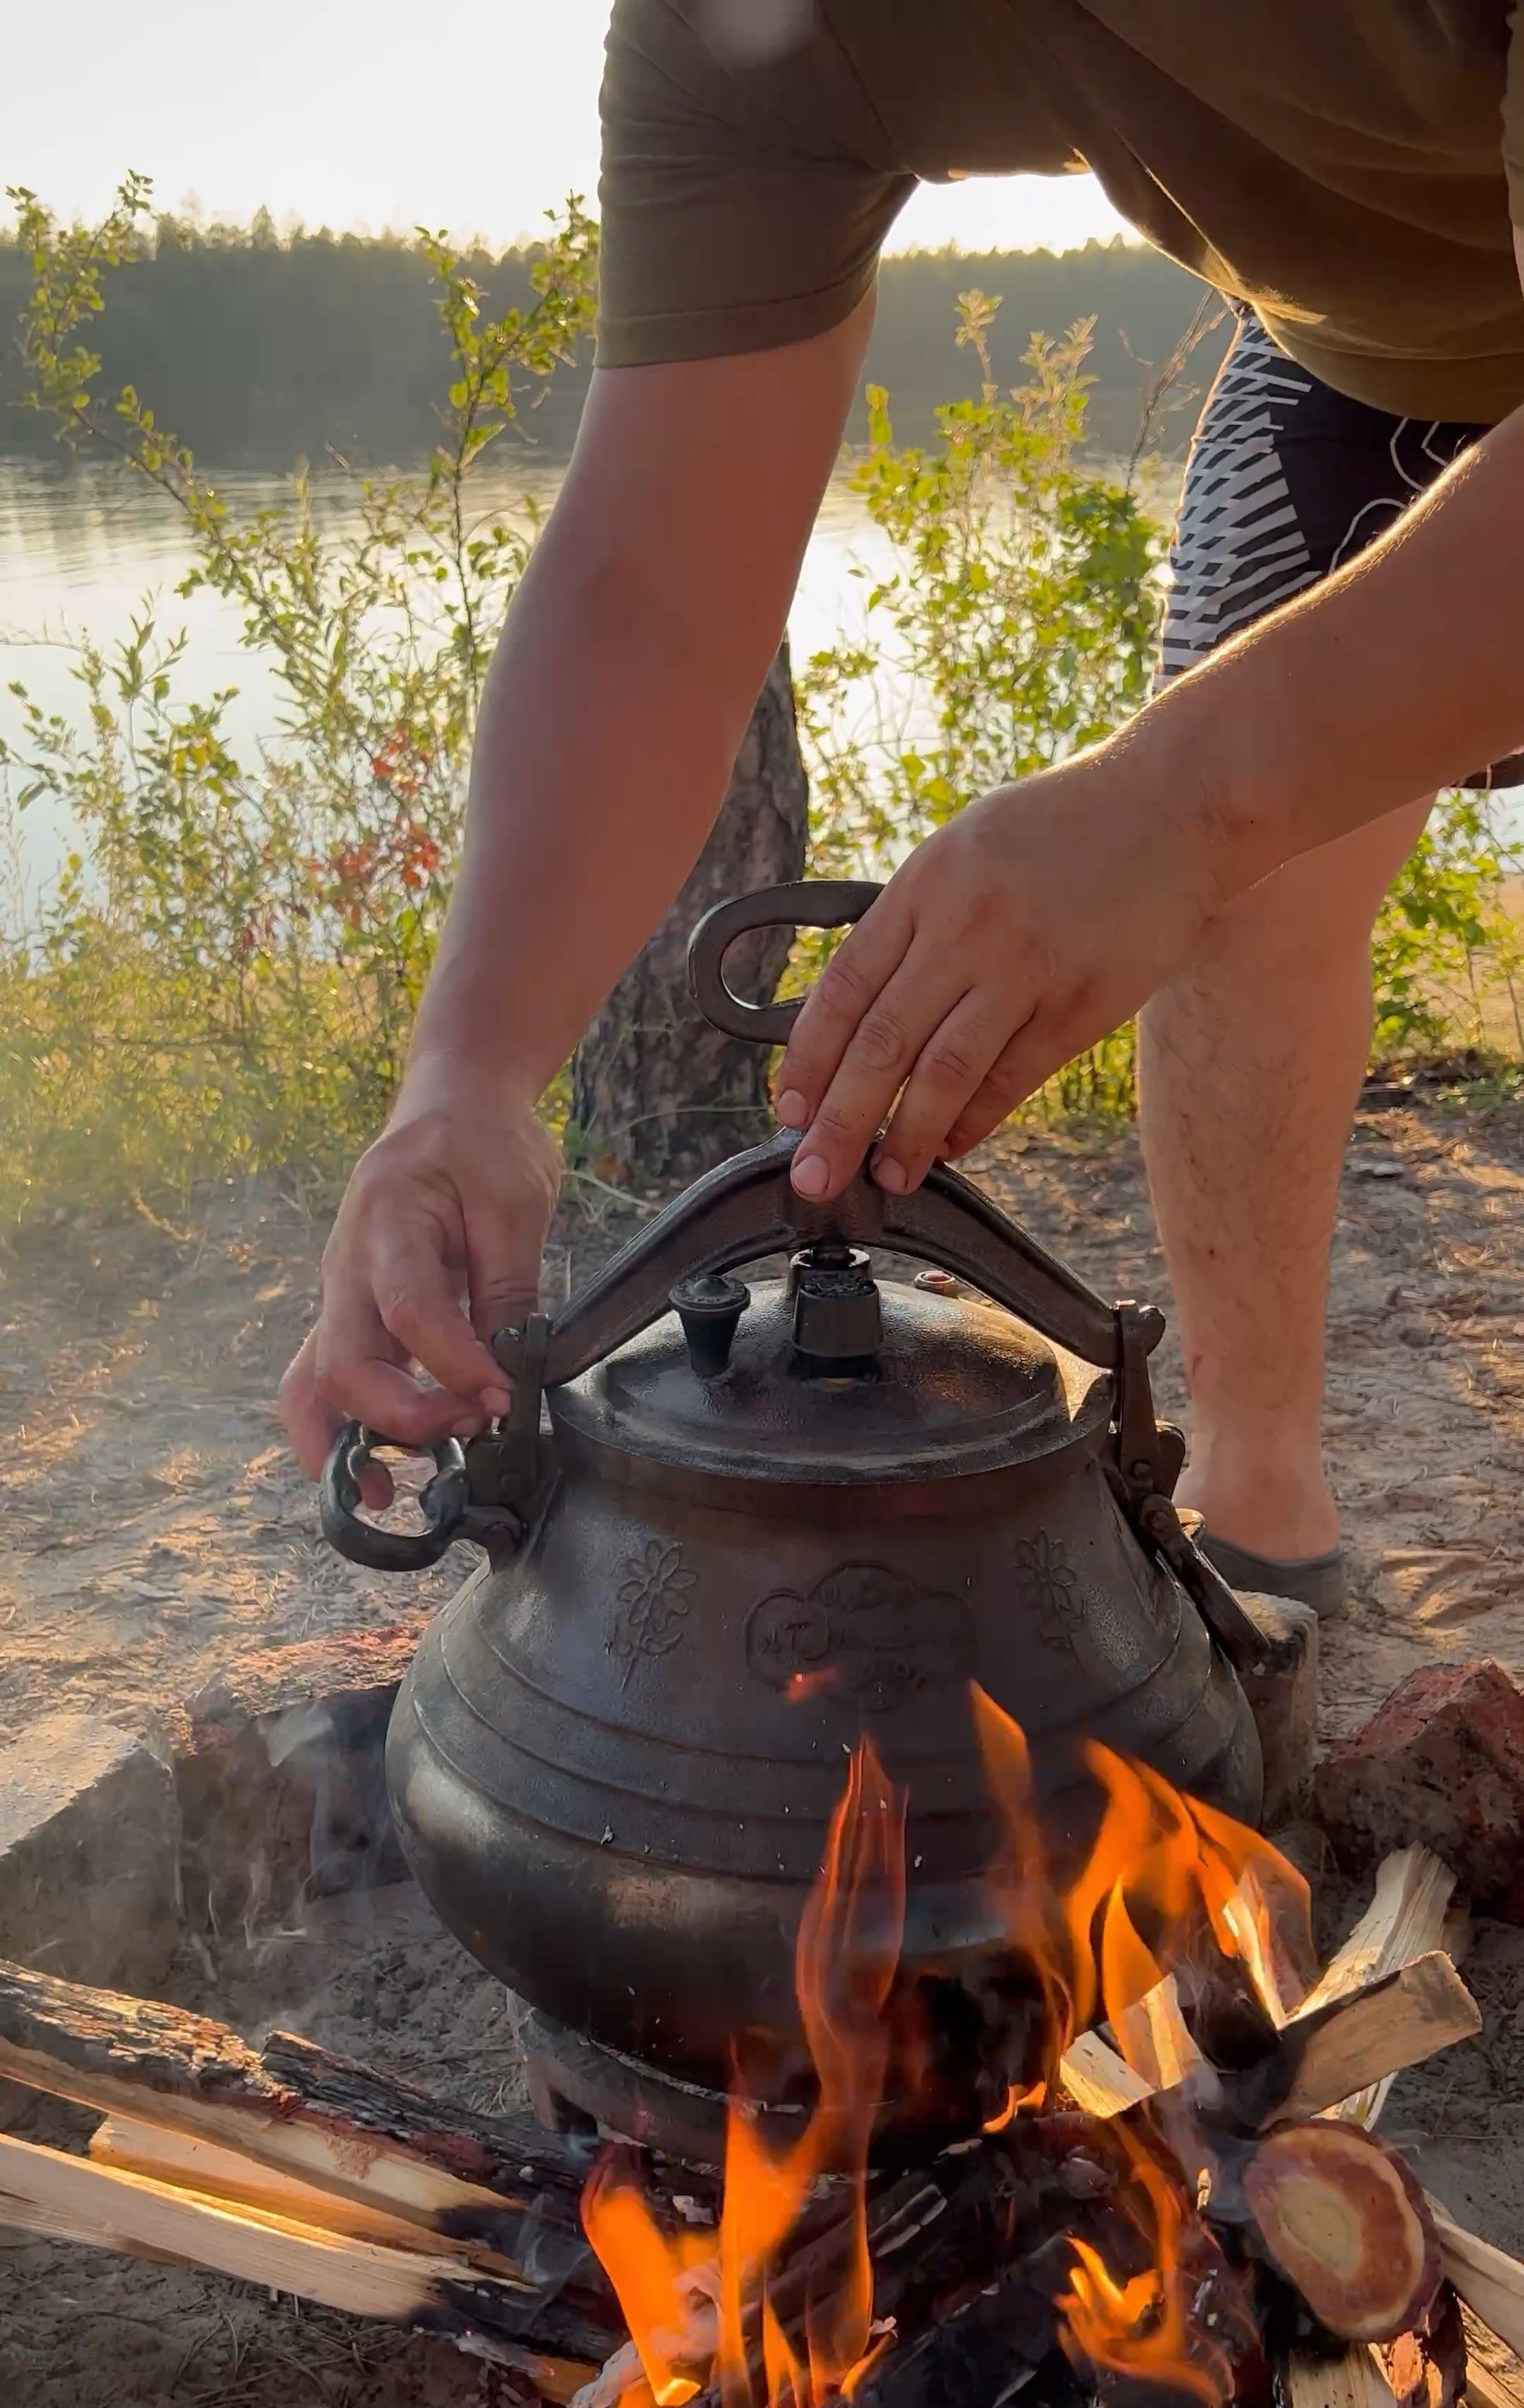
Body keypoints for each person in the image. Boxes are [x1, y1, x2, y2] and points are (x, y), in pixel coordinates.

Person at [281, 0, 1524, 1620]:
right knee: (1236, 905)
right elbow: (658, 585)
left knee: (1199, 821)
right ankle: (1258, 1498)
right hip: (1356, 351)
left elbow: (1190, 807)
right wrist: (464, 1076)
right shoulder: (739, 31)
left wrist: (1174, 805)